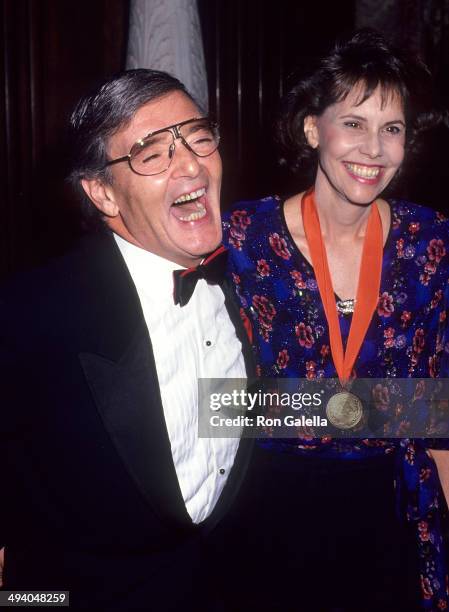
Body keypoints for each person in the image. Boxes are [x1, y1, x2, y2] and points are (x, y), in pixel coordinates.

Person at [0, 69, 254, 611]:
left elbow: (271, 410)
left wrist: (426, 413)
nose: (190, 163)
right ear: (103, 192)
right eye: (152, 151)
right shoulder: (31, 314)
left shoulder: (257, 279)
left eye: (199, 136)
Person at [222, 30, 449, 611]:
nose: (374, 149)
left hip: (393, 508)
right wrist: (392, 407)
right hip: (268, 508)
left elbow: (443, 410)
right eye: (353, 123)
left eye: (391, 128)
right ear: (311, 128)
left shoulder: (431, 241)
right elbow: (212, 400)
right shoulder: (243, 239)